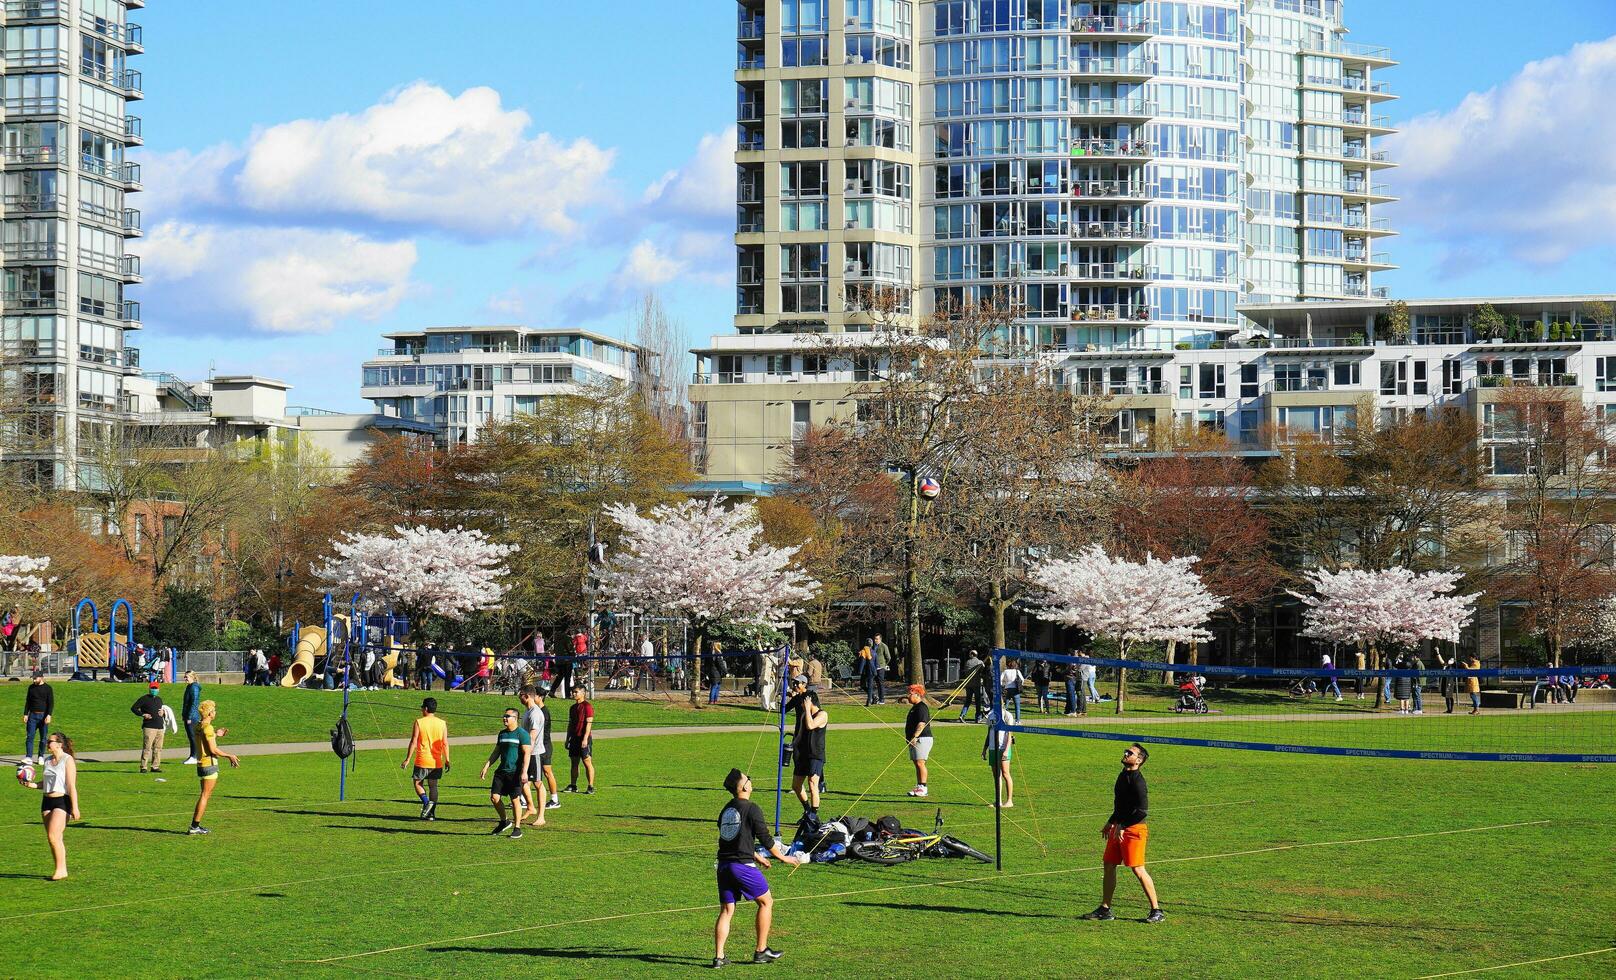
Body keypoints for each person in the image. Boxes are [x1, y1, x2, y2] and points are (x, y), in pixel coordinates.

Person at [712, 768, 804, 968]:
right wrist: (784, 858)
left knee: (727, 910)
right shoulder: (752, 808)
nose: (751, 781)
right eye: (748, 779)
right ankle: (761, 951)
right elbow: (765, 838)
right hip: (741, 866)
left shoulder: (726, 809)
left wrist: (757, 856)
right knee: (766, 902)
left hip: (724, 866)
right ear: (743, 786)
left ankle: (719, 957)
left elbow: (732, 839)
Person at [1080, 743, 1163, 923]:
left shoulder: (1138, 782)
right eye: (1126, 751)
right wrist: (1110, 822)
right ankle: (1105, 909)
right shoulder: (1122, 775)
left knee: (1138, 869)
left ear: (1139, 760)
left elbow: (1141, 811)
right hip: (1119, 827)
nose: (1125, 754)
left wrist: (1122, 826)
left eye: (1130, 753)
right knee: (1109, 865)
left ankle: (1156, 910)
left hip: (1133, 830)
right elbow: (1121, 805)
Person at [20, 732, 79, 879]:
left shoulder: (67, 760)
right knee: (53, 838)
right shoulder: (47, 760)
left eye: (50, 741)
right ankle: (61, 869)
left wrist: (75, 807)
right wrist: (31, 785)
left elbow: (71, 785)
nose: (47, 743)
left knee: (54, 836)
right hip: (46, 801)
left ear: (59, 744)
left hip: (62, 801)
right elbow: (45, 783)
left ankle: (61, 870)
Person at [479, 706, 532, 838]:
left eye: (507, 716)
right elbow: (497, 751)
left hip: (515, 773)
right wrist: (487, 766)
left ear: (515, 718)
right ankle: (504, 821)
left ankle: (517, 827)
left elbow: (527, 754)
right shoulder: (502, 734)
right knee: (494, 798)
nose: (504, 718)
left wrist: (524, 772)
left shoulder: (522, 734)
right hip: (501, 772)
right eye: (504, 716)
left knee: (515, 800)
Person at [190, 700, 240, 834]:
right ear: (210, 713)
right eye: (214, 710)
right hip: (209, 764)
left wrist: (216, 735)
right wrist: (229, 755)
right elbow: (212, 749)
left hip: (201, 764)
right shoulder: (208, 727)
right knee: (205, 795)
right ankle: (195, 826)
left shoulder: (199, 726)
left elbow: (206, 743)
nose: (215, 712)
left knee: (204, 794)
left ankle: (195, 826)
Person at [401, 697, 450, 820]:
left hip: (422, 759)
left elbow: (413, 741)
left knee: (417, 783)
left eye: (422, 707)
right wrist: (447, 759)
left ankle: (426, 803)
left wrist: (407, 759)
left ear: (426, 709)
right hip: (436, 761)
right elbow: (445, 743)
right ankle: (431, 814)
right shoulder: (442, 723)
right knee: (433, 786)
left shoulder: (419, 722)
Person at [790, 686, 828, 819]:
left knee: (812, 783)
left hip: (815, 754)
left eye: (804, 703)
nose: (801, 705)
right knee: (796, 785)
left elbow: (810, 726)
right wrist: (793, 745)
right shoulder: (804, 715)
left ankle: (813, 815)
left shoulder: (822, 715)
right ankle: (807, 810)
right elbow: (800, 732)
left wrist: (806, 709)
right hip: (803, 754)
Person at [516, 685, 550, 825]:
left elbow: (532, 737)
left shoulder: (535, 713)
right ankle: (531, 807)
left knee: (537, 783)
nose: (519, 698)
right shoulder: (527, 712)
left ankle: (541, 816)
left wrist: (526, 751)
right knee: (522, 780)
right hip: (526, 752)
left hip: (534, 752)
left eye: (520, 695)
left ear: (527, 696)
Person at [564, 685, 596, 794]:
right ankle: (573, 785)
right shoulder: (572, 708)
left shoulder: (587, 706)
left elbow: (589, 724)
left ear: (583, 693)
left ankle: (590, 786)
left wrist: (585, 739)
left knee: (587, 761)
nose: (574, 694)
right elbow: (570, 724)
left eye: (576, 692)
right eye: (573, 692)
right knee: (574, 762)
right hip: (574, 739)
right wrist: (568, 738)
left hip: (583, 738)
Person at [131, 681, 166, 773]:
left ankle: (155, 766)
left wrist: (163, 713)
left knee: (158, 748)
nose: (154, 690)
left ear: (158, 689)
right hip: (149, 726)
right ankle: (143, 767)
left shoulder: (159, 699)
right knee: (147, 747)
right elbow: (134, 708)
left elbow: (162, 710)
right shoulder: (144, 698)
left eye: (156, 688)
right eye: (153, 688)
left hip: (160, 726)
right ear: (149, 689)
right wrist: (143, 714)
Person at [904, 684, 932, 798]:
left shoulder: (922, 707)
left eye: (910, 694)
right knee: (917, 763)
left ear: (917, 695)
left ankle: (923, 788)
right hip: (915, 739)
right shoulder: (914, 707)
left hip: (922, 738)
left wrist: (915, 737)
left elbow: (922, 723)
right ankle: (919, 786)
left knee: (920, 763)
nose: (908, 696)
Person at [983, 707, 1013, 808]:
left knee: (1005, 773)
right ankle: (998, 801)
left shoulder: (1007, 715)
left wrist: (1007, 749)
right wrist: (985, 748)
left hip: (1003, 748)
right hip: (993, 748)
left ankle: (1009, 801)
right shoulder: (991, 715)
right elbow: (989, 732)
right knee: (996, 775)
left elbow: (1010, 734)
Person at [23, 668, 53, 764]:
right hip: (32, 715)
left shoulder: (48, 688)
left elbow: (50, 703)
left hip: (43, 716)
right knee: (30, 736)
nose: (34, 680)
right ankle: (29, 757)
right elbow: (28, 701)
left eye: (35, 678)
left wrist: (49, 715)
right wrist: (25, 714)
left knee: (43, 738)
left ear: (41, 678)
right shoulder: (31, 688)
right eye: (33, 678)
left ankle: (41, 756)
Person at [181, 671, 202, 764]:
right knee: (191, 737)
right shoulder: (189, 687)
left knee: (193, 736)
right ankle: (193, 755)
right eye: (184, 677)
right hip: (188, 715)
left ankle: (194, 756)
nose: (185, 679)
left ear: (192, 677)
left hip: (192, 716)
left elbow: (193, 703)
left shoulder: (194, 687)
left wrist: (189, 716)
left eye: (187, 677)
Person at [958, 650, 985, 723]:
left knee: (968, 701)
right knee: (978, 702)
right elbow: (983, 671)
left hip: (968, 684)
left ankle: (962, 715)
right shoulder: (979, 662)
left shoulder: (967, 662)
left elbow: (966, 672)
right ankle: (978, 718)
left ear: (972, 655)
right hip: (976, 684)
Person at [869, 634, 889, 704]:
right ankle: (874, 698)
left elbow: (888, 657)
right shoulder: (873, 646)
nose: (875, 640)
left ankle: (882, 700)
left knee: (880, 684)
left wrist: (884, 664)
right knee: (871, 683)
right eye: (875, 639)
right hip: (874, 667)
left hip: (881, 667)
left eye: (877, 639)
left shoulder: (883, 646)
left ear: (880, 639)